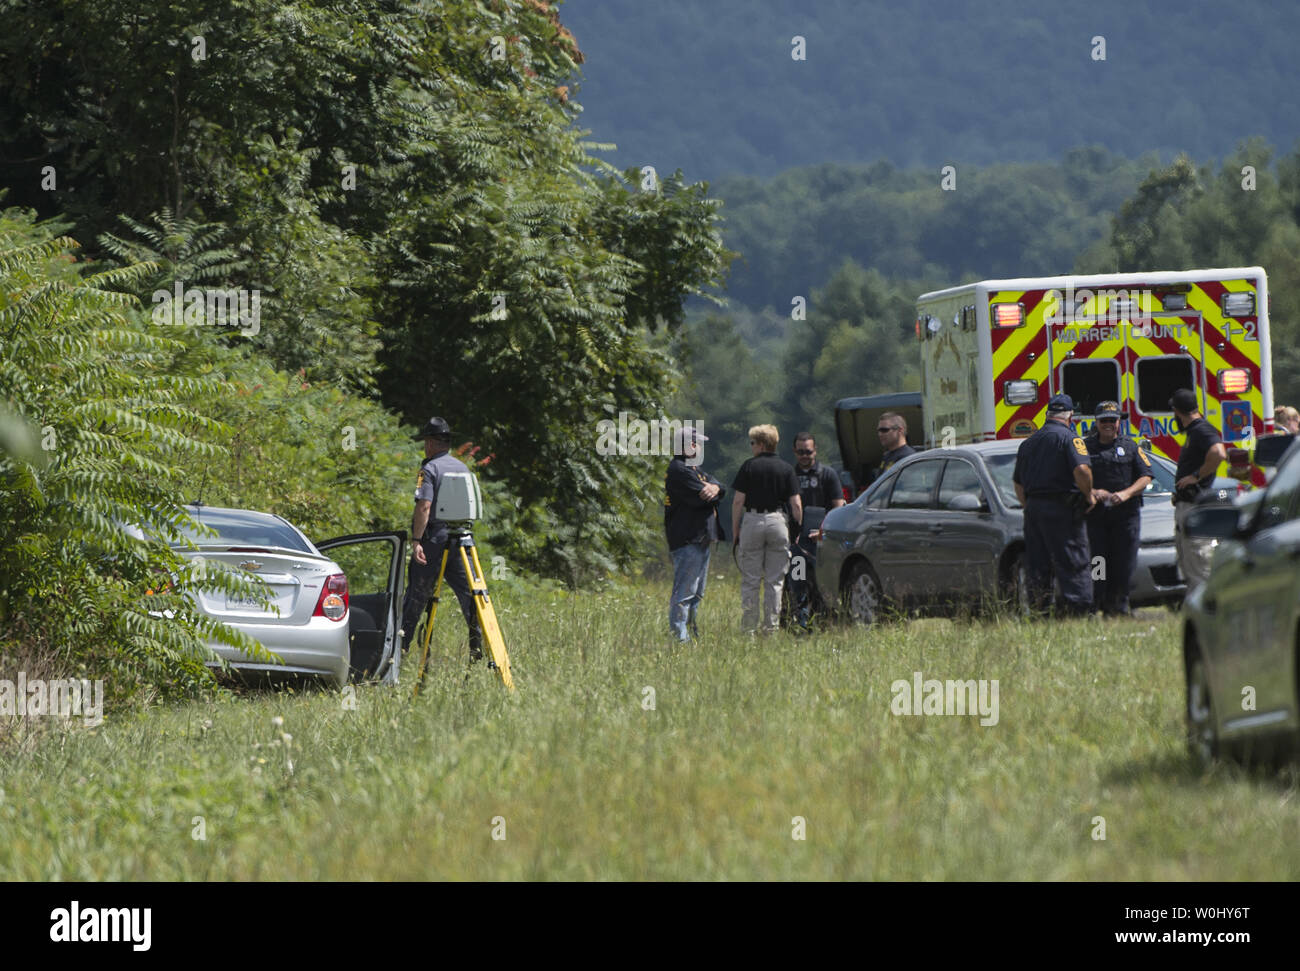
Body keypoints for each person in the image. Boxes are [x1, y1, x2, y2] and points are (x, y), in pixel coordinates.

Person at [399, 416, 484, 662]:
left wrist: (416, 541)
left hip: (434, 541)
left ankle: (400, 651)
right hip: (462, 539)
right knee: (470, 595)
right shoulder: (463, 468)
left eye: (426, 441)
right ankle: (476, 648)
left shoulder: (428, 469)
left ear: (430, 443)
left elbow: (424, 506)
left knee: (416, 595)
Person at [1012, 394, 1095, 615]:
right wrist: (1088, 495)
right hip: (1064, 509)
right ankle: (1078, 611)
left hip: (1034, 511)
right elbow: (1082, 470)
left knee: (1038, 563)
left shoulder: (1028, 443)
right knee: (1073, 560)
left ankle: (1040, 610)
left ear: (1048, 415)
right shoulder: (1071, 439)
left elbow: (1017, 483)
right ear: (1070, 417)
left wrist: (1028, 506)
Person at [1084, 401, 1153, 616]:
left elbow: (1146, 476)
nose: (1108, 424)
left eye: (1112, 420)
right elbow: (1075, 476)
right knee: (1098, 562)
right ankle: (1096, 605)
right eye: (1103, 420)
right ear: (1096, 422)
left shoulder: (1131, 446)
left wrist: (1126, 494)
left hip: (1126, 517)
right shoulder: (1085, 447)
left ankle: (1120, 608)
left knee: (1124, 564)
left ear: (1118, 423)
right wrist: (1093, 492)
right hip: (1096, 518)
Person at [731, 424, 801, 634]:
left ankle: (749, 630)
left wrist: (736, 530)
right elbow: (796, 504)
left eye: (753, 443)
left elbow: (737, 501)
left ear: (761, 445)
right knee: (775, 581)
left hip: (753, 520)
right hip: (778, 521)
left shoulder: (748, 466)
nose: (751, 447)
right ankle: (771, 629)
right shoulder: (787, 468)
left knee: (751, 580)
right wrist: (795, 531)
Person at [663, 427, 725, 642]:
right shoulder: (679, 469)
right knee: (684, 594)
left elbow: (719, 487)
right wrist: (714, 492)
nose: (699, 447)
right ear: (687, 445)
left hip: (701, 539)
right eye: (696, 443)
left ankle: (691, 633)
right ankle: (680, 639)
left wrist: (715, 488)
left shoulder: (694, 468)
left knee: (697, 593)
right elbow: (705, 497)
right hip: (688, 538)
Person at [783, 432, 845, 627]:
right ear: (794, 451)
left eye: (808, 451)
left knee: (822, 587)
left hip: (822, 542)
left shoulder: (827, 474)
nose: (804, 455)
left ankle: (824, 624)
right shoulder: (789, 475)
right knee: (798, 584)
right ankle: (799, 625)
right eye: (800, 452)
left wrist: (827, 532)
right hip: (797, 544)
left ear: (815, 450)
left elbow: (838, 506)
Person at [1170, 388, 1227, 589]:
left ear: (1176, 411)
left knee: (1200, 566)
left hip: (1196, 506)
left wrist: (1196, 476)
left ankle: (1209, 611)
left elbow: (1219, 453)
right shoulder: (1194, 432)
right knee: (1190, 565)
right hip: (1187, 505)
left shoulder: (1201, 429)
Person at [871, 412, 916, 484]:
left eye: (884, 430)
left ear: (900, 430)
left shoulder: (908, 457)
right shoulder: (887, 456)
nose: (880, 434)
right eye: (879, 431)